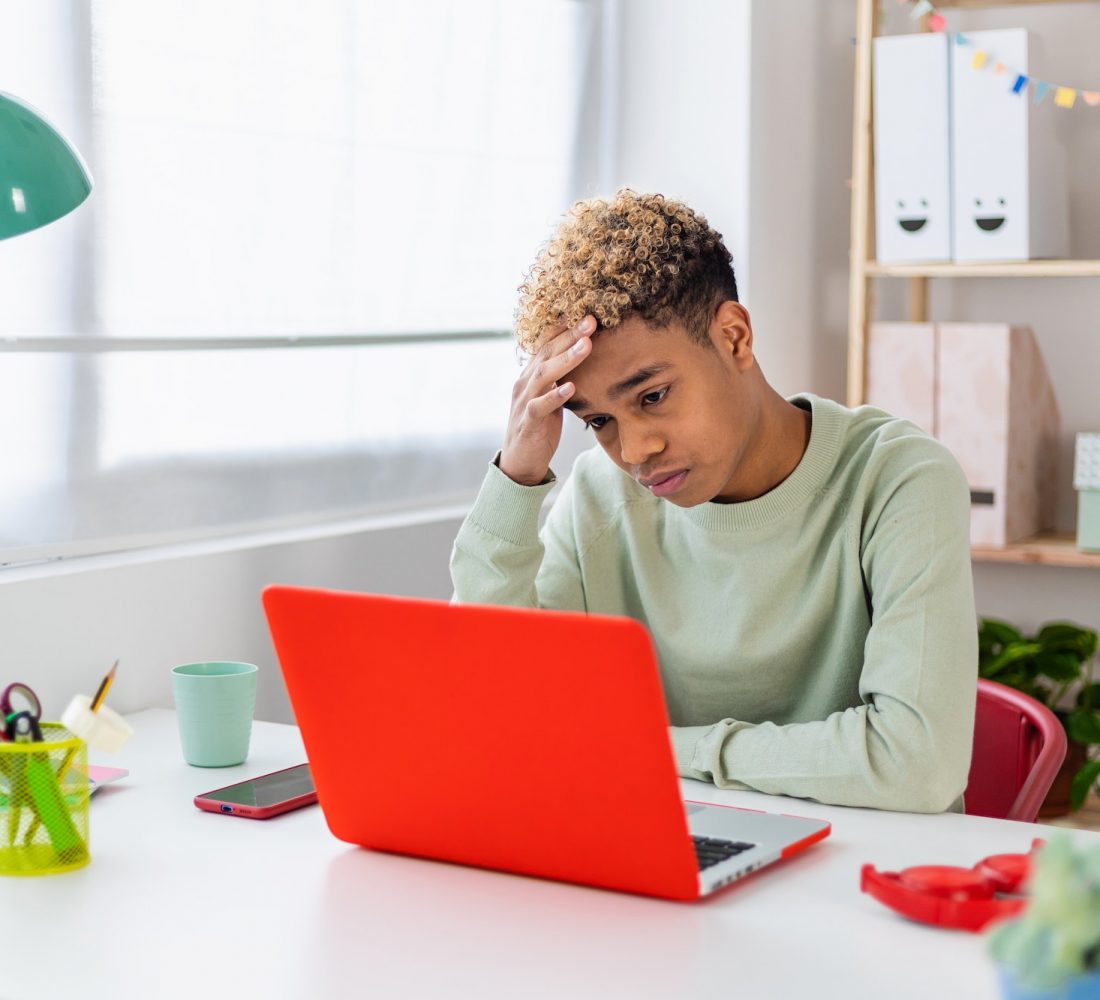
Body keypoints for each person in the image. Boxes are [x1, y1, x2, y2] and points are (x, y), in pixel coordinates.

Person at [450, 188, 977, 812]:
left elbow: (916, 762)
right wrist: (515, 477)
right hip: (666, 853)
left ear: (734, 337)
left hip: (859, 868)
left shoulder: (896, 479)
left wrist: (665, 750)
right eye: (599, 422)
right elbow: (495, 712)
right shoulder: (599, 495)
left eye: (652, 396)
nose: (635, 450)